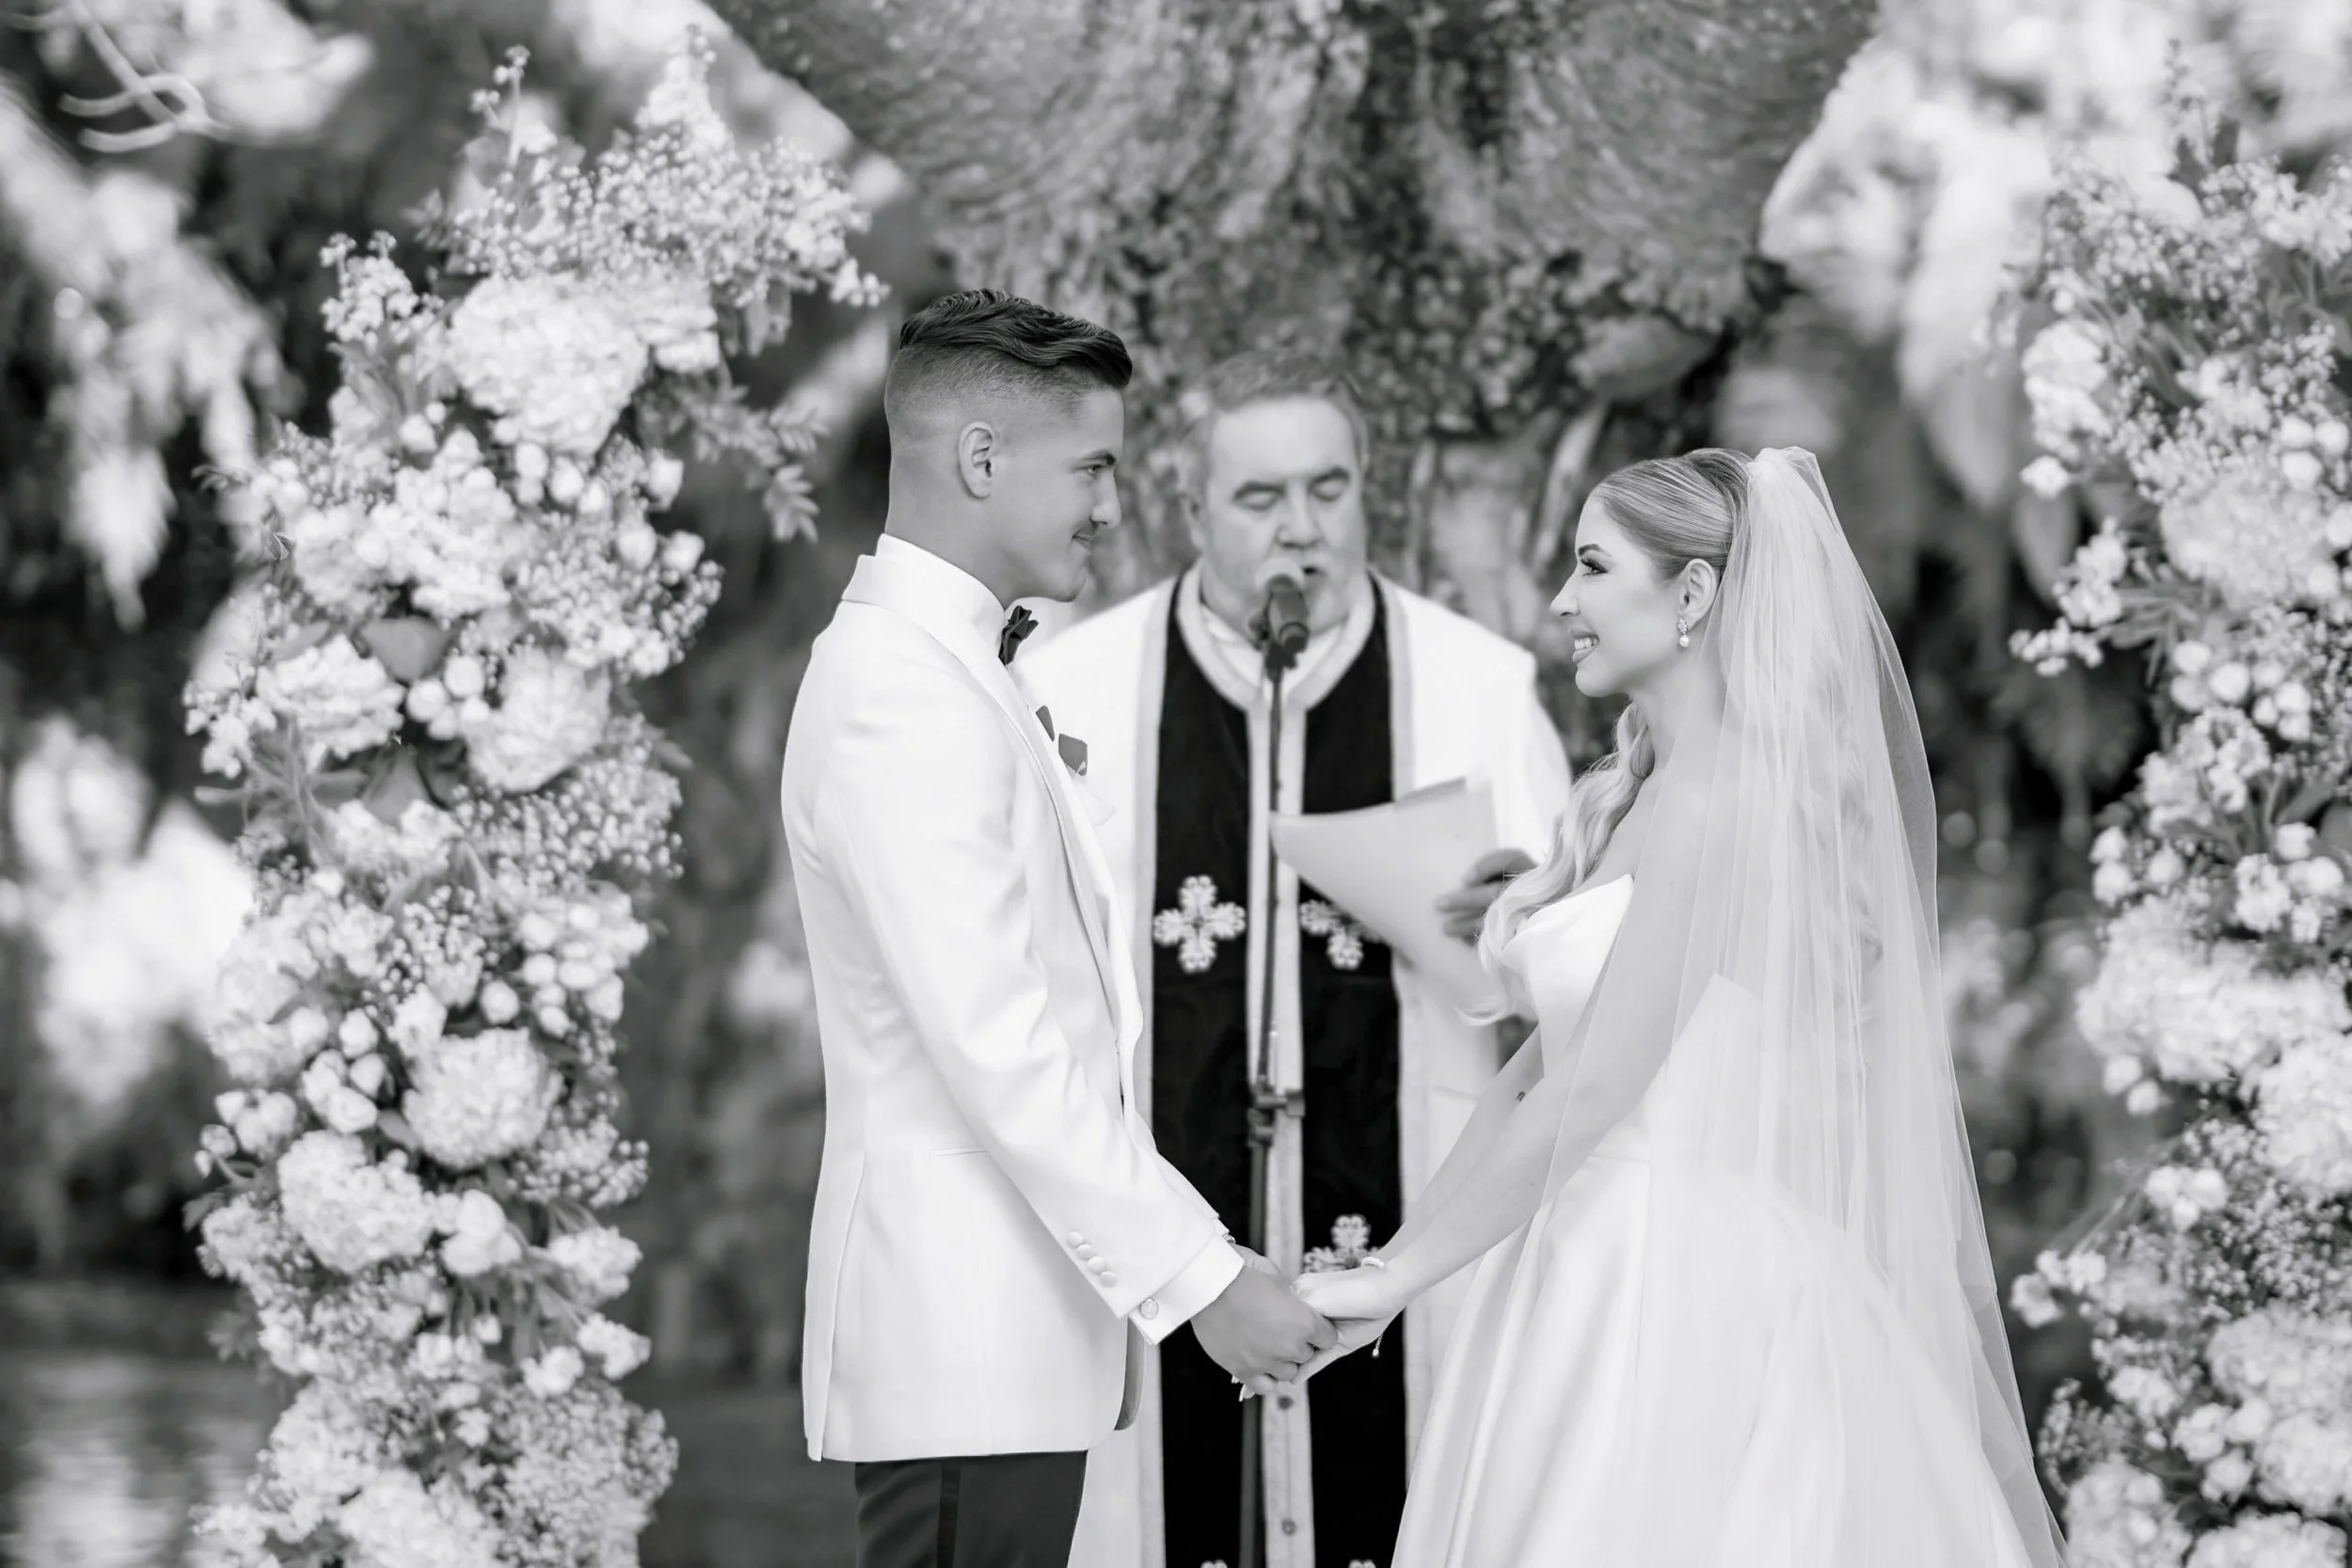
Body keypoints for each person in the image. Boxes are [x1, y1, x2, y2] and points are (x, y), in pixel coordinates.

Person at [1293, 447, 2067, 1567]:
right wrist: (1396, 1265)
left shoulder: (1729, 806)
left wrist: (1404, 1276)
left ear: (1692, 595)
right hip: (1576, 1242)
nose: (1563, 600)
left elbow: (1601, 1082)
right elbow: (1533, 1071)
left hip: (1680, 1284)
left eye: (1594, 566)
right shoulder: (1636, 792)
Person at [780, 291, 1335, 1568]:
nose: (1109, 504)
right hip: (962, 1331)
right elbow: (1000, 1044)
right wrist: (1202, 1276)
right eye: (1091, 466)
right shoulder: (897, 694)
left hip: (1008, 1339)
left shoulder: (958, 663)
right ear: (981, 459)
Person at [1020, 350, 1573, 1568]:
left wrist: (1520, 926)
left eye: (1330, 490)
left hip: (1414, 1224)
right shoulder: (1074, 694)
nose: (1303, 530)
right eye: (1262, 499)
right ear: (1192, 508)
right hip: (1157, 1236)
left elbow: (1570, 993)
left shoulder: (1477, 689)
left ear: (1372, 492)